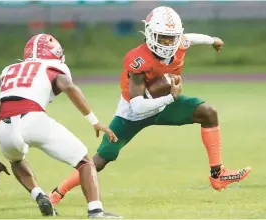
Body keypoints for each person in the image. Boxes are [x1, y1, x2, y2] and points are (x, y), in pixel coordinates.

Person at [49, 6, 251, 205]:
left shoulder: (180, 43)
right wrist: (170, 98)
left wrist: (212, 40)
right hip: (133, 114)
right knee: (102, 159)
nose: (168, 43)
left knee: (208, 113)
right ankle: (58, 192)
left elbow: (191, 38)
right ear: (150, 34)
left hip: (163, 105)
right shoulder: (137, 59)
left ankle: (218, 174)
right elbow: (138, 106)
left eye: (172, 38)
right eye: (163, 37)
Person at [0, 33, 121, 218]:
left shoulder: (10, 73)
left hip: (4, 128)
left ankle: (38, 194)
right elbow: (69, 87)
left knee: (16, 161)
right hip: (33, 119)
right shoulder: (50, 67)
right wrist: (94, 121)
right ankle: (96, 211)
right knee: (85, 162)